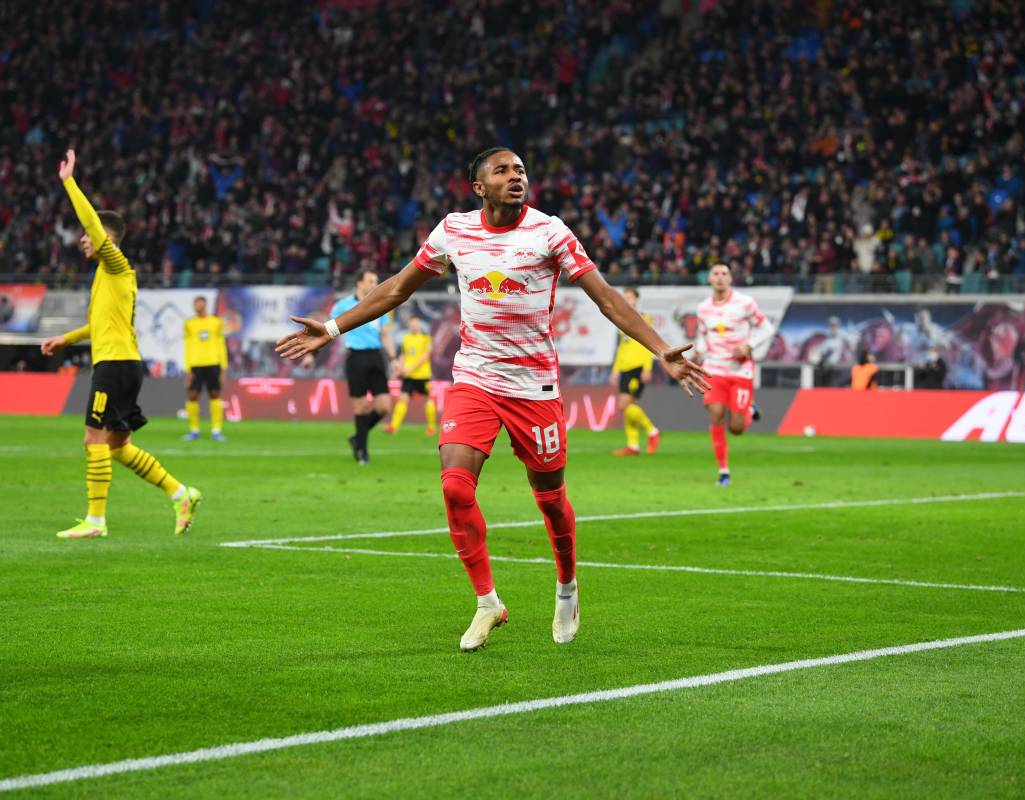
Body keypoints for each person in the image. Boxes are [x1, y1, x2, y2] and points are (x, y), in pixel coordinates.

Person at [276, 147, 709, 651]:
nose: (515, 177)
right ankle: (488, 603)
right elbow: (397, 289)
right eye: (503, 171)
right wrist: (331, 328)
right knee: (456, 487)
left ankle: (567, 585)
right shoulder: (454, 230)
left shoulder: (550, 232)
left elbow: (606, 296)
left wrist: (660, 350)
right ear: (479, 187)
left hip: (534, 387)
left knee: (550, 501)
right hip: (476, 378)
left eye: (521, 170)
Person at [40, 149, 201, 540]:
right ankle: (181, 493)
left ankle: (95, 521)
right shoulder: (105, 277)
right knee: (116, 445)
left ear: (105, 239)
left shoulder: (116, 264)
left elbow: (91, 223)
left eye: (88, 236)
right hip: (124, 363)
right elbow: (100, 325)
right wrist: (67, 338)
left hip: (114, 366)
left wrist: (69, 183)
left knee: (92, 438)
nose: (82, 240)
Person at [697, 263, 774, 487]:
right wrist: (700, 350)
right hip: (714, 368)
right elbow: (704, 335)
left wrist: (750, 345)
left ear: (731, 279)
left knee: (737, 428)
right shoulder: (703, 309)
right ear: (709, 279)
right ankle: (724, 471)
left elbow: (767, 328)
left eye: (725, 274)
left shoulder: (745, 303)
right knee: (716, 413)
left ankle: (749, 409)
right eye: (716, 274)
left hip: (741, 370)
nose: (720, 277)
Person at [331, 269, 397, 464]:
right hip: (356, 357)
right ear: (359, 283)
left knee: (384, 406)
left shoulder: (381, 304)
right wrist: (313, 354)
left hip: (376, 356)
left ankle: (357, 437)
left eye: (376, 280)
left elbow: (385, 334)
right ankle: (362, 452)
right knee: (360, 407)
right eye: (371, 280)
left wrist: (393, 358)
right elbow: (329, 329)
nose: (374, 283)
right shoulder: (343, 305)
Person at [610, 287, 661, 456]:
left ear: (636, 300)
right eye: (624, 297)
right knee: (629, 407)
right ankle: (633, 445)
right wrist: (616, 370)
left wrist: (647, 368)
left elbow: (649, 344)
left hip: (637, 368)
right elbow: (621, 348)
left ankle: (652, 431)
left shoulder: (644, 319)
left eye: (629, 297)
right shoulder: (620, 321)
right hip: (624, 368)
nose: (626, 300)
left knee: (624, 404)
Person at [182, 295, 227, 441]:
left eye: (200, 304)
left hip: (213, 363)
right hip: (195, 364)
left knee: (214, 394)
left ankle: (216, 431)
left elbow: (221, 344)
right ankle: (194, 430)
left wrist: (224, 366)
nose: (197, 306)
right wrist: (187, 368)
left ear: (205, 305)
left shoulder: (216, 322)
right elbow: (187, 346)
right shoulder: (189, 324)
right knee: (193, 395)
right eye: (195, 304)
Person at [386, 315, 437, 436]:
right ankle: (393, 427)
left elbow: (425, 357)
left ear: (419, 325)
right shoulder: (406, 338)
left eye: (416, 323)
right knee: (402, 398)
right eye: (412, 323)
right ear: (409, 325)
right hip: (408, 376)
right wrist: (399, 369)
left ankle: (431, 428)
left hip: (422, 375)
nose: (414, 325)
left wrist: (410, 369)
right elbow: (404, 355)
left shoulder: (426, 339)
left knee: (428, 400)